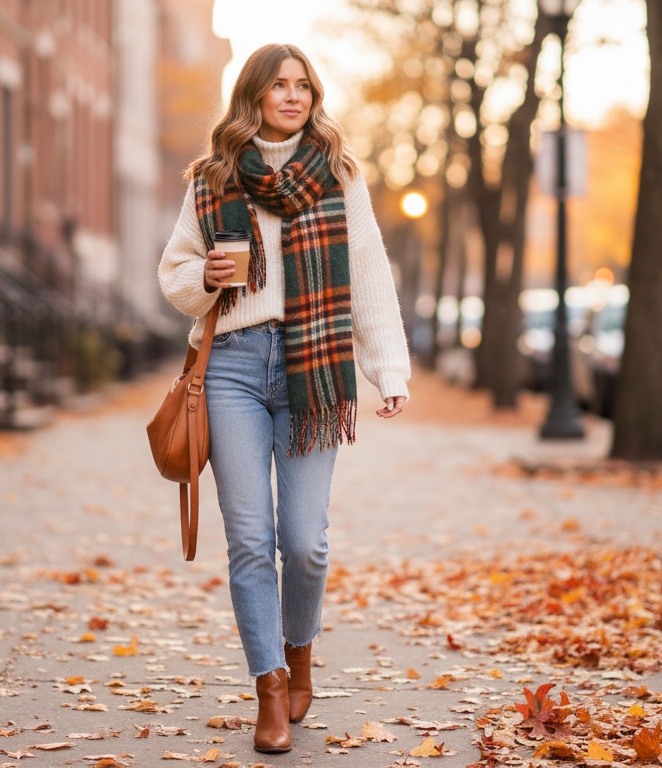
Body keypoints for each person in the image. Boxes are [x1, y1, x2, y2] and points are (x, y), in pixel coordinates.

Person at [157, 43, 410, 754]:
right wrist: (205, 277)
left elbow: (368, 273)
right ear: (255, 97)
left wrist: (388, 368)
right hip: (233, 368)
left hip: (312, 366)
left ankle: (300, 649)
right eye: (279, 86)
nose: (293, 96)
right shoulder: (213, 178)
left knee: (303, 543)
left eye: (303, 86)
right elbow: (174, 273)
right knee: (248, 539)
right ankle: (268, 685)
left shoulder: (338, 174)